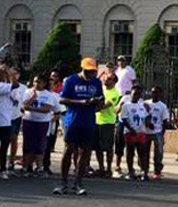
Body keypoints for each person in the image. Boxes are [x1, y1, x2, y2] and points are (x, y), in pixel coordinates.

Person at [55, 58, 104, 196]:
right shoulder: (71, 80)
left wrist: (97, 104)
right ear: (82, 69)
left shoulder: (96, 82)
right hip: (73, 121)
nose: (90, 74)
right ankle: (63, 182)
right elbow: (62, 99)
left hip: (88, 122)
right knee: (68, 150)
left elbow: (101, 100)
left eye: (93, 71)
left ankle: (78, 183)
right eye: (88, 71)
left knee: (85, 153)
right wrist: (83, 102)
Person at [21, 75, 60, 175]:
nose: (36, 84)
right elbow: (25, 106)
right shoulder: (28, 92)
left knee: (40, 145)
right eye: (35, 82)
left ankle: (39, 167)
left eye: (39, 82)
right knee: (27, 145)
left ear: (44, 83)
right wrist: (32, 98)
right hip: (28, 120)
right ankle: (26, 167)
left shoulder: (49, 95)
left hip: (42, 122)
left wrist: (32, 108)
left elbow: (46, 109)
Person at [94, 73, 119, 178]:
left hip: (108, 123)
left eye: (109, 79)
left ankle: (109, 168)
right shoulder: (101, 90)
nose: (106, 80)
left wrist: (88, 108)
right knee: (98, 147)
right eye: (105, 78)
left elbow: (104, 106)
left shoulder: (115, 93)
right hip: (96, 121)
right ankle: (101, 168)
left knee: (108, 148)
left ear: (114, 82)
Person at [145, 87, 170, 179]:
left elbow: (165, 121)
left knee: (158, 153)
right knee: (144, 152)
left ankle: (157, 170)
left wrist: (161, 133)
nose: (154, 94)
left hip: (157, 132)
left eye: (156, 93)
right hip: (146, 132)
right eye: (152, 92)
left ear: (160, 94)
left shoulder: (162, 106)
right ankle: (145, 170)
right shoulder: (146, 103)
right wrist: (146, 123)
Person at [6, 67, 25, 174]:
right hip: (4, 115)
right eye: (11, 74)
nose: (13, 76)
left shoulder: (23, 88)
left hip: (16, 116)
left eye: (15, 74)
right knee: (3, 140)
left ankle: (11, 161)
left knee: (13, 138)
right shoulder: (4, 86)